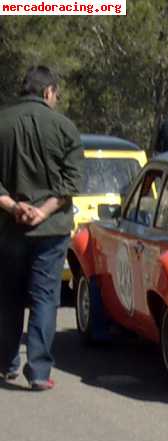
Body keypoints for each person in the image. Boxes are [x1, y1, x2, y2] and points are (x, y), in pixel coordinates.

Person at [0, 65, 84, 391]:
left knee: (7, 297)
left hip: (8, 227)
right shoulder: (64, 127)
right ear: (48, 92)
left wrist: (12, 205)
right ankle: (38, 371)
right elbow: (71, 182)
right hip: (51, 229)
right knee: (45, 297)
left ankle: (7, 363)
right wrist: (43, 210)